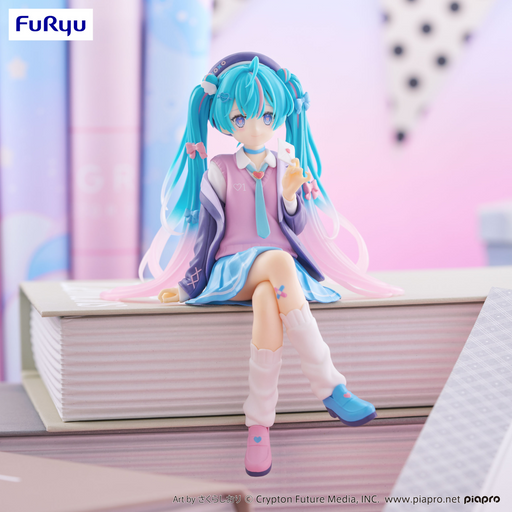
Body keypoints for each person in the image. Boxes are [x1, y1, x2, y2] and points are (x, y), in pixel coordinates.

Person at [102, 52, 402, 477]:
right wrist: (188, 284)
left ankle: (259, 426)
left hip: (280, 279)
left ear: (279, 117)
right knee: (275, 262)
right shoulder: (219, 169)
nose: (256, 128)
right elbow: (206, 234)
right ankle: (331, 387)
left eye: (266, 116)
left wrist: (292, 195)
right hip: (234, 269)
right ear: (226, 121)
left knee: (267, 301)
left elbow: (297, 227)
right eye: (242, 119)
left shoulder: (286, 167)